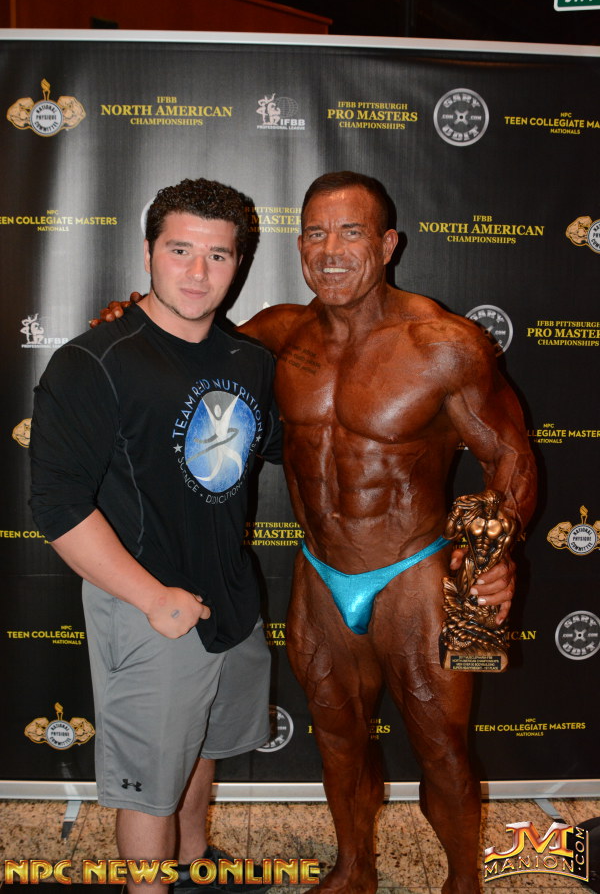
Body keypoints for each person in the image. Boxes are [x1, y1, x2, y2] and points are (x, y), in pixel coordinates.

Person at [96, 171, 537, 894]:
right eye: (315, 233)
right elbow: (183, 345)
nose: (330, 251)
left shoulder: (444, 344)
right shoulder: (276, 335)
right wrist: (131, 319)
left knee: (442, 750)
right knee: (337, 742)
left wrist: (499, 548)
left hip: (414, 575)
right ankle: (355, 868)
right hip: (321, 576)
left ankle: (464, 883)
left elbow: (510, 456)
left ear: (388, 245)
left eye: (351, 233)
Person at [30, 178, 282, 894]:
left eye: (218, 255)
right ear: (147, 253)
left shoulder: (250, 362)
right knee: (147, 788)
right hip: (147, 606)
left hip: (231, 601)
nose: (198, 272)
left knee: (199, 750)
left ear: (238, 263)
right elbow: (57, 507)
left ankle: (195, 866)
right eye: (180, 250)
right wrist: (152, 598)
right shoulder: (93, 362)